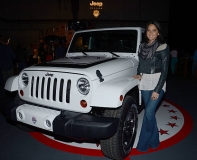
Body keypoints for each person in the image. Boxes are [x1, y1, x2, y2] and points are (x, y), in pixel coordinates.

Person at [133, 20, 170, 152]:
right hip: (144, 82)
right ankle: (155, 142)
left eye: (154, 30)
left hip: (157, 82)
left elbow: (165, 70)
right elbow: (141, 64)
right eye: (148, 30)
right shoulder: (142, 46)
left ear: (158, 32)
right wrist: (139, 74)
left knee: (148, 112)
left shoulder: (163, 47)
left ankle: (142, 145)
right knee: (150, 115)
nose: (151, 33)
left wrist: (158, 90)